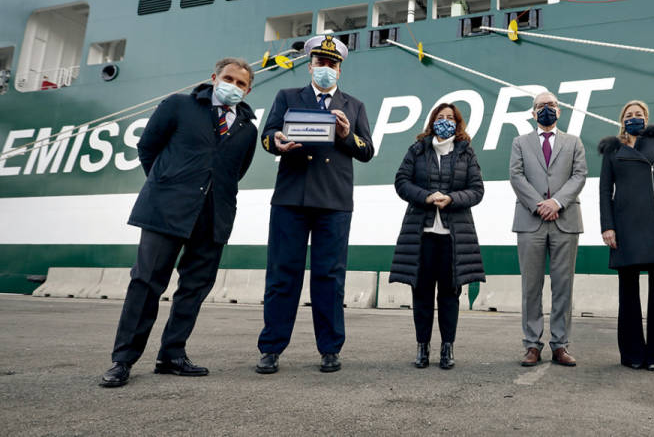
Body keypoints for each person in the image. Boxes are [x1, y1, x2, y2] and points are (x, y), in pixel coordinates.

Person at [99, 58, 258, 387]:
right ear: (214, 78)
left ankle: (172, 354)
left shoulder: (248, 127)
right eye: (228, 78)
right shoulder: (179, 105)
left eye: (241, 83)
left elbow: (236, 171)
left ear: (248, 89)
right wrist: (168, 185)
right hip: (165, 211)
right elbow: (148, 148)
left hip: (213, 216)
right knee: (146, 284)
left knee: (194, 289)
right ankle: (123, 360)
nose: (234, 86)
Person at [255, 35, 374, 374]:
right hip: (291, 198)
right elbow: (269, 135)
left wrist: (347, 135)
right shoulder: (288, 97)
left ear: (340, 70)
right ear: (310, 66)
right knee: (281, 276)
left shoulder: (354, 105)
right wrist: (277, 143)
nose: (326, 69)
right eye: (320, 63)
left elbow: (367, 150)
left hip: (334, 202)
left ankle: (330, 349)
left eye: (332, 64)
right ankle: (271, 349)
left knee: (330, 278)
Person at [390, 103, 486, 369]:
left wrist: (452, 198)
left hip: (453, 237)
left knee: (449, 294)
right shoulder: (417, 150)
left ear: (458, 123)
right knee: (421, 293)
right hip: (421, 235)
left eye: (450, 118)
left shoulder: (466, 153)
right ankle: (422, 348)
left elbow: (477, 190)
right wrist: (426, 196)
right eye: (440, 117)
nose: (445, 121)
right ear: (432, 122)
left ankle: (447, 348)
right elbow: (401, 182)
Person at [597, 100, 654, 371]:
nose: (634, 118)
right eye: (629, 115)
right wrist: (607, 226)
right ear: (621, 120)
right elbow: (604, 191)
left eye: (639, 114)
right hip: (624, 226)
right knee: (628, 293)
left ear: (646, 119)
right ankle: (633, 353)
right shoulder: (613, 149)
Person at [509, 91, 587, 367]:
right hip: (530, 221)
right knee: (531, 286)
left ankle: (560, 344)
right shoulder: (520, 142)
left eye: (551, 105)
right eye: (541, 106)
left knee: (563, 285)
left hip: (565, 220)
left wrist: (556, 202)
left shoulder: (574, 142)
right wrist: (538, 204)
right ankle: (532, 344)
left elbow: (580, 175)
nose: (546, 109)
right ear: (533, 113)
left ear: (560, 110)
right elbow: (516, 176)